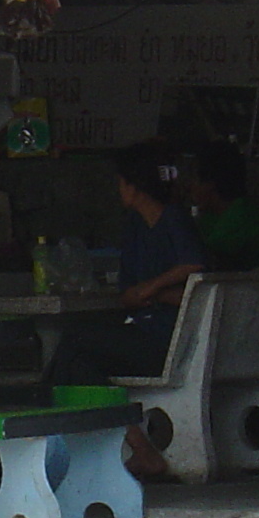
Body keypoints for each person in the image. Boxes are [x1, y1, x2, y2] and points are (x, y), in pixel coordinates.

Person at [53, 143, 207, 386]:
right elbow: (128, 293)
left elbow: (193, 264)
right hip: (142, 329)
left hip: (172, 342)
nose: (119, 189)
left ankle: (39, 407)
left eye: (121, 182)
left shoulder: (174, 219)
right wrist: (140, 295)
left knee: (75, 337)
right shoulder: (135, 226)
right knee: (81, 365)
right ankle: (116, 422)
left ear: (135, 186)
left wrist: (153, 288)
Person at [188, 144, 259, 270]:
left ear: (210, 184)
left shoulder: (242, 215)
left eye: (194, 179)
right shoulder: (211, 217)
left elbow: (200, 260)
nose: (190, 186)